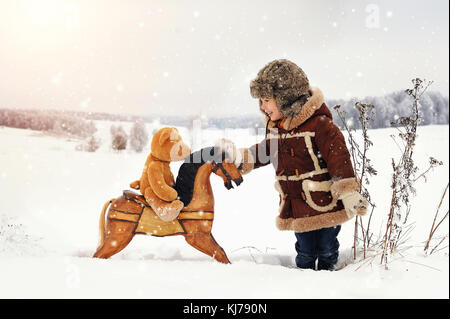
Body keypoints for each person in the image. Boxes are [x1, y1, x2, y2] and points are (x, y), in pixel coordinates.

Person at [218, 59, 367, 270]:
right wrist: (241, 158)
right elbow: (265, 150)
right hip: (298, 204)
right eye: (260, 101)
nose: (262, 107)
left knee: (326, 247)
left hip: (323, 202)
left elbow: (338, 158)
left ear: (285, 98)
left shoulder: (319, 124)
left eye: (267, 100)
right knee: (305, 251)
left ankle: (330, 279)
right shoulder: (278, 129)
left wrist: (348, 191)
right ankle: (302, 284)